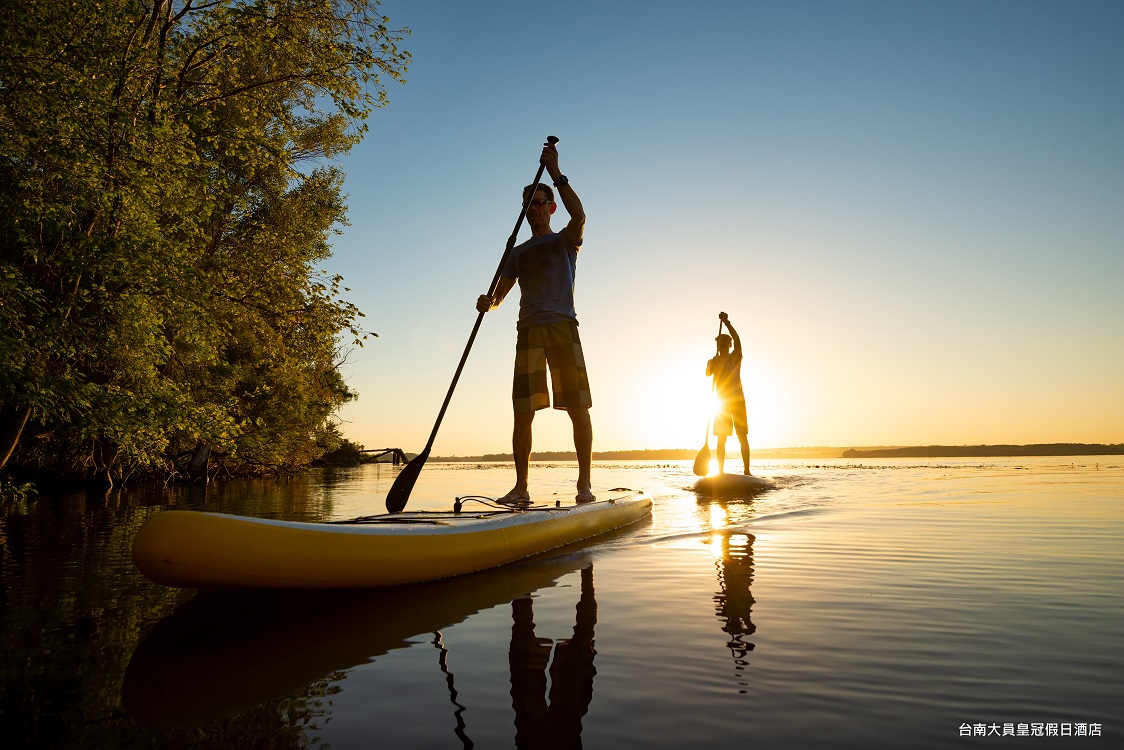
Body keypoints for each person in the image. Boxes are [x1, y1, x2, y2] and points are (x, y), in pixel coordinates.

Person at [477, 141, 594, 504]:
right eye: (528, 204)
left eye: (539, 203)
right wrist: (489, 303)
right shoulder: (517, 252)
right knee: (522, 412)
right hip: (528, 331)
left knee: (577, 407)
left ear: (551, 208)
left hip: (562, 327)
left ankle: (584, 486)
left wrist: (556, 174)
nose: (534, 209)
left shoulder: (565, 241)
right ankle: (521, 488)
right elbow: (501, 295)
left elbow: (581, 216)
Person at [707, 312, 751, 474]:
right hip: (721, 403)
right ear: (717, 347)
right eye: (720, 346)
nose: (723, 348)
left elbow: (737, 339)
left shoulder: (735, 357)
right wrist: (712, 364)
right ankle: (720, 472)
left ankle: (747, 471)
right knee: (721, 438)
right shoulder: (713, 361)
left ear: (729, 346)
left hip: (737, 401)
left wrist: (726, 322)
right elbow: (707, 373)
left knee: (742, 436)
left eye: (725, 346)